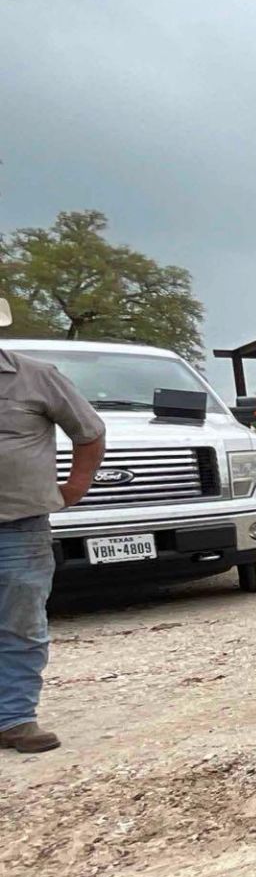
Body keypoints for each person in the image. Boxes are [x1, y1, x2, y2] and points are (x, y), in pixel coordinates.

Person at [0, 299, 106, 753]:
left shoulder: (36, 376)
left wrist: (75, 486)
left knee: (20, 623)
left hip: (18, 526)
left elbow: (89, 431)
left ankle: (15, 718)